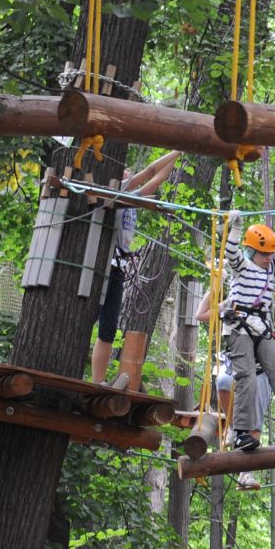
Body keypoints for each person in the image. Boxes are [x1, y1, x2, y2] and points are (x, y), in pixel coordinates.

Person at [200, 208, 275, 451]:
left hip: (262, 329)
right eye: (263, 254)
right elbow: (231, 252)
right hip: (240, 330)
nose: (268, 257)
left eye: (270, 254)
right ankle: (241, 432)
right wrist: (237, 228)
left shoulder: (272, 267)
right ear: (252, 251)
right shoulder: (241, 267)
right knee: (246, 378)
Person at [90, 150, 179, 388]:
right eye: (124, 170)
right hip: (103, 264)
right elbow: (149, 171)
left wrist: (179, 153)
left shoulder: (133, 198)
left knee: (108, 329)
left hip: (119, 267)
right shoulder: (115, 194)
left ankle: (98, 382)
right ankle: (94, 379)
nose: (128, 170)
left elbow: (158, 178)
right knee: (94, 321)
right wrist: (177, 149)